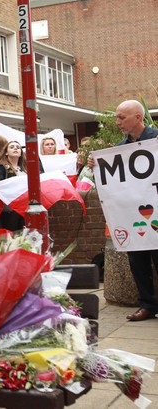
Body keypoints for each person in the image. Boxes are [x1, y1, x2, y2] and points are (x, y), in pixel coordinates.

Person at [88, 100, 158, 321]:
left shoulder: (155, 140)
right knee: (137, 262)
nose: (117, 122)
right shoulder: (120, 149)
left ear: (138, 117)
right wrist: (96, 166)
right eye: (117, 117)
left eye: (122, 117)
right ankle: (147, 304)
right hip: (133, 216)